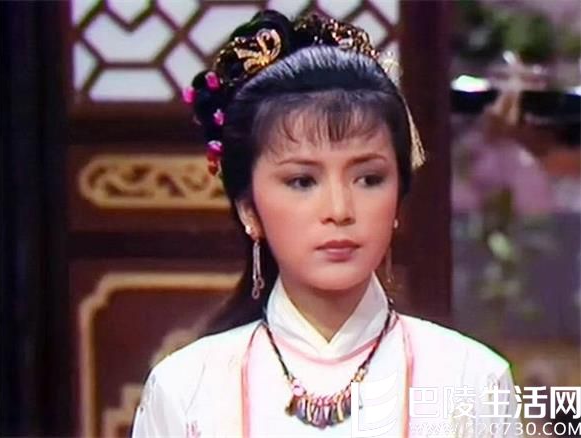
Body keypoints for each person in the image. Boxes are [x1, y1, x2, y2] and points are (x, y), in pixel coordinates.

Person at [132, 10, 519, 437]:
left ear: (397, 199)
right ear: (249, 211)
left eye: (368, 179)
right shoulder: (185, 390)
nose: (339, 209)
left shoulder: (472, 380)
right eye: (302, 181)